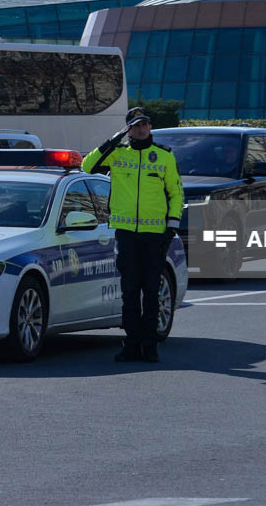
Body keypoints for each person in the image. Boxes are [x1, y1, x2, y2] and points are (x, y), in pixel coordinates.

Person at [83, 107, 183, 363]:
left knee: (150, 292)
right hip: (126, 235)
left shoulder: (164, 155)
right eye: (136, 125)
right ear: (128, 129)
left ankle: (150, 346)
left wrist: (171, 227)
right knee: (129, 293)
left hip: (155, 236)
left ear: (150, 126)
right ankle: (131, 345)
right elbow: (87, 166)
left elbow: (176, 193)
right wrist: (114, 139)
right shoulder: (117, 153)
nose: (141, 129)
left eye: (145, 124)